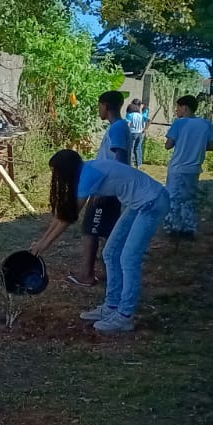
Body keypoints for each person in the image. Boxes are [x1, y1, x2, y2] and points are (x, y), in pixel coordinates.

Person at [30, 151, 168, 335]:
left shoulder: (87, 176)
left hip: (153, 202)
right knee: (110, 253)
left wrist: (45, 245)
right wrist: (41, 241)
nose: (56, 178)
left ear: (66, 170)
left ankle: (125, 316)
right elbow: (63, 214)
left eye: (57, 173)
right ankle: (111, 306)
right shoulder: (84, 171)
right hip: (138, 204)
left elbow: (68, 218)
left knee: (128, 259)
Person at [70, 90, 130, 287]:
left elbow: (120, 162)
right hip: (109, 188)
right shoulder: (118, 127)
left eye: (99, 106)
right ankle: (111, 273)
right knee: (106, 231)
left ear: (105, 106)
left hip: (108, 190)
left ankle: (86, 275)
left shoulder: (117, 128)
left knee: (91, 229)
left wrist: (107, 190)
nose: (99, 110)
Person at [163, 95, 213, 238]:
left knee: (173, 197)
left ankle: (173, 227)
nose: (176, 110)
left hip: (178, 167)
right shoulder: (206, 124)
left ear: (185, 107)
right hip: (194, 168)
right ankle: (188, 228)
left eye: (178, 107)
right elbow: (211, 146)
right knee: (189, 198)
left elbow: (168, 145)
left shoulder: (179, 124)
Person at [125, 99, 149, 167]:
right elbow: (149, 120)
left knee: (131, 148)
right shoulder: (140, 115)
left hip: (132, 132)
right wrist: (145, 129)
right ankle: (139, 164)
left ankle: (129, 164)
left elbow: (128, 124)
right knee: (138, 148)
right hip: (140, 133)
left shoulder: (130, 115)